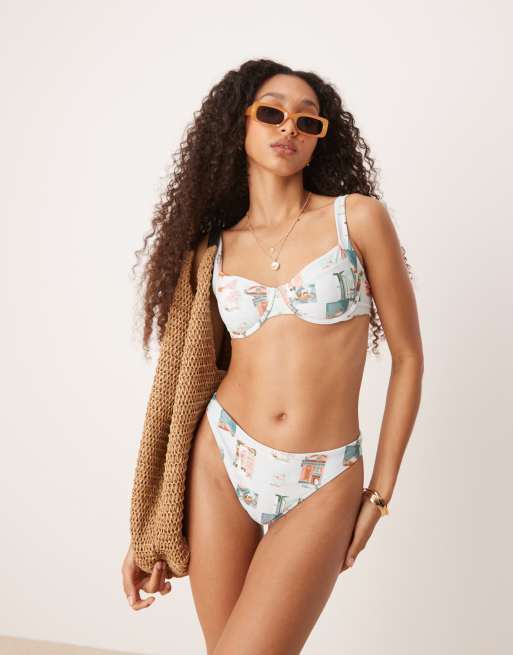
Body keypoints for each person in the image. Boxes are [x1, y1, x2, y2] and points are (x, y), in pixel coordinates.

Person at [122, 58, 423, 655]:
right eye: (272, 113)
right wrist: (149, 528)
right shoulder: (212, 250)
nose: (290, 127)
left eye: (308, 121)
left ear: (319, 140)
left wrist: (379, 494)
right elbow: (176, 390)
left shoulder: (358, 219)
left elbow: (409, 357)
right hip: (221, 460)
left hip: (324, 475)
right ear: (238, 125)